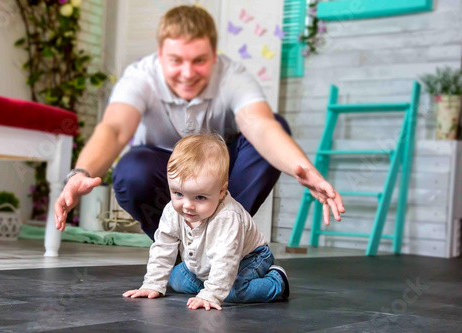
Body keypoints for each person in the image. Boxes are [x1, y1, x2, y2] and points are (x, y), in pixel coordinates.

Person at [54, 5, 345, 238]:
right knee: (131, 171)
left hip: (219, 167)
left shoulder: (233, 76)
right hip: (165, 168)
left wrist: (303, 169)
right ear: (160, 55)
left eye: (199, 61)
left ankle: (225, 239)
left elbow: (262, 127)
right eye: (176, 60)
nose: (187, 72)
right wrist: (80, 173)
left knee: (275, 125)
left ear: (215, 56)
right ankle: (175, 248)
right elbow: (115, 130)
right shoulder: (140, 77)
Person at [123, 134, 289, 310]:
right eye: (178, 193)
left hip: (248, 258)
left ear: (221, 191)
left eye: (200, 197)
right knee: (176, 279)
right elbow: (163, 246)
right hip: (205, 264)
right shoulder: (172, 210)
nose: (187, 206)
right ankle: (213, 283)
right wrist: (153, 283)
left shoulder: (227, 216)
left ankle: (277, 281)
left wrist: (213, 294)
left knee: (233, 293)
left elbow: (226, 258)